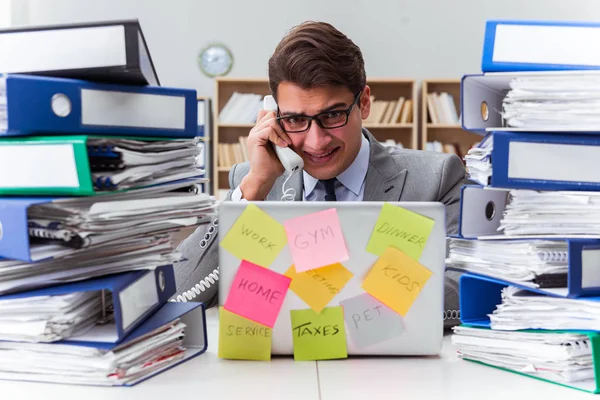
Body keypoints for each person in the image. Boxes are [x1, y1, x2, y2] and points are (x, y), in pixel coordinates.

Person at [173, 21, 472, 328]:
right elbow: (181, 293)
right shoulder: (253, 184)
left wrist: (345, 321)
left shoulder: (436, 179)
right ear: (273, 116)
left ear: (364, 103)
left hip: (391, 368)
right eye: (295, 119)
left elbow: (466, 288)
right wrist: (254, 188)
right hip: (278, 372)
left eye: (332, 115)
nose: (316, 142)